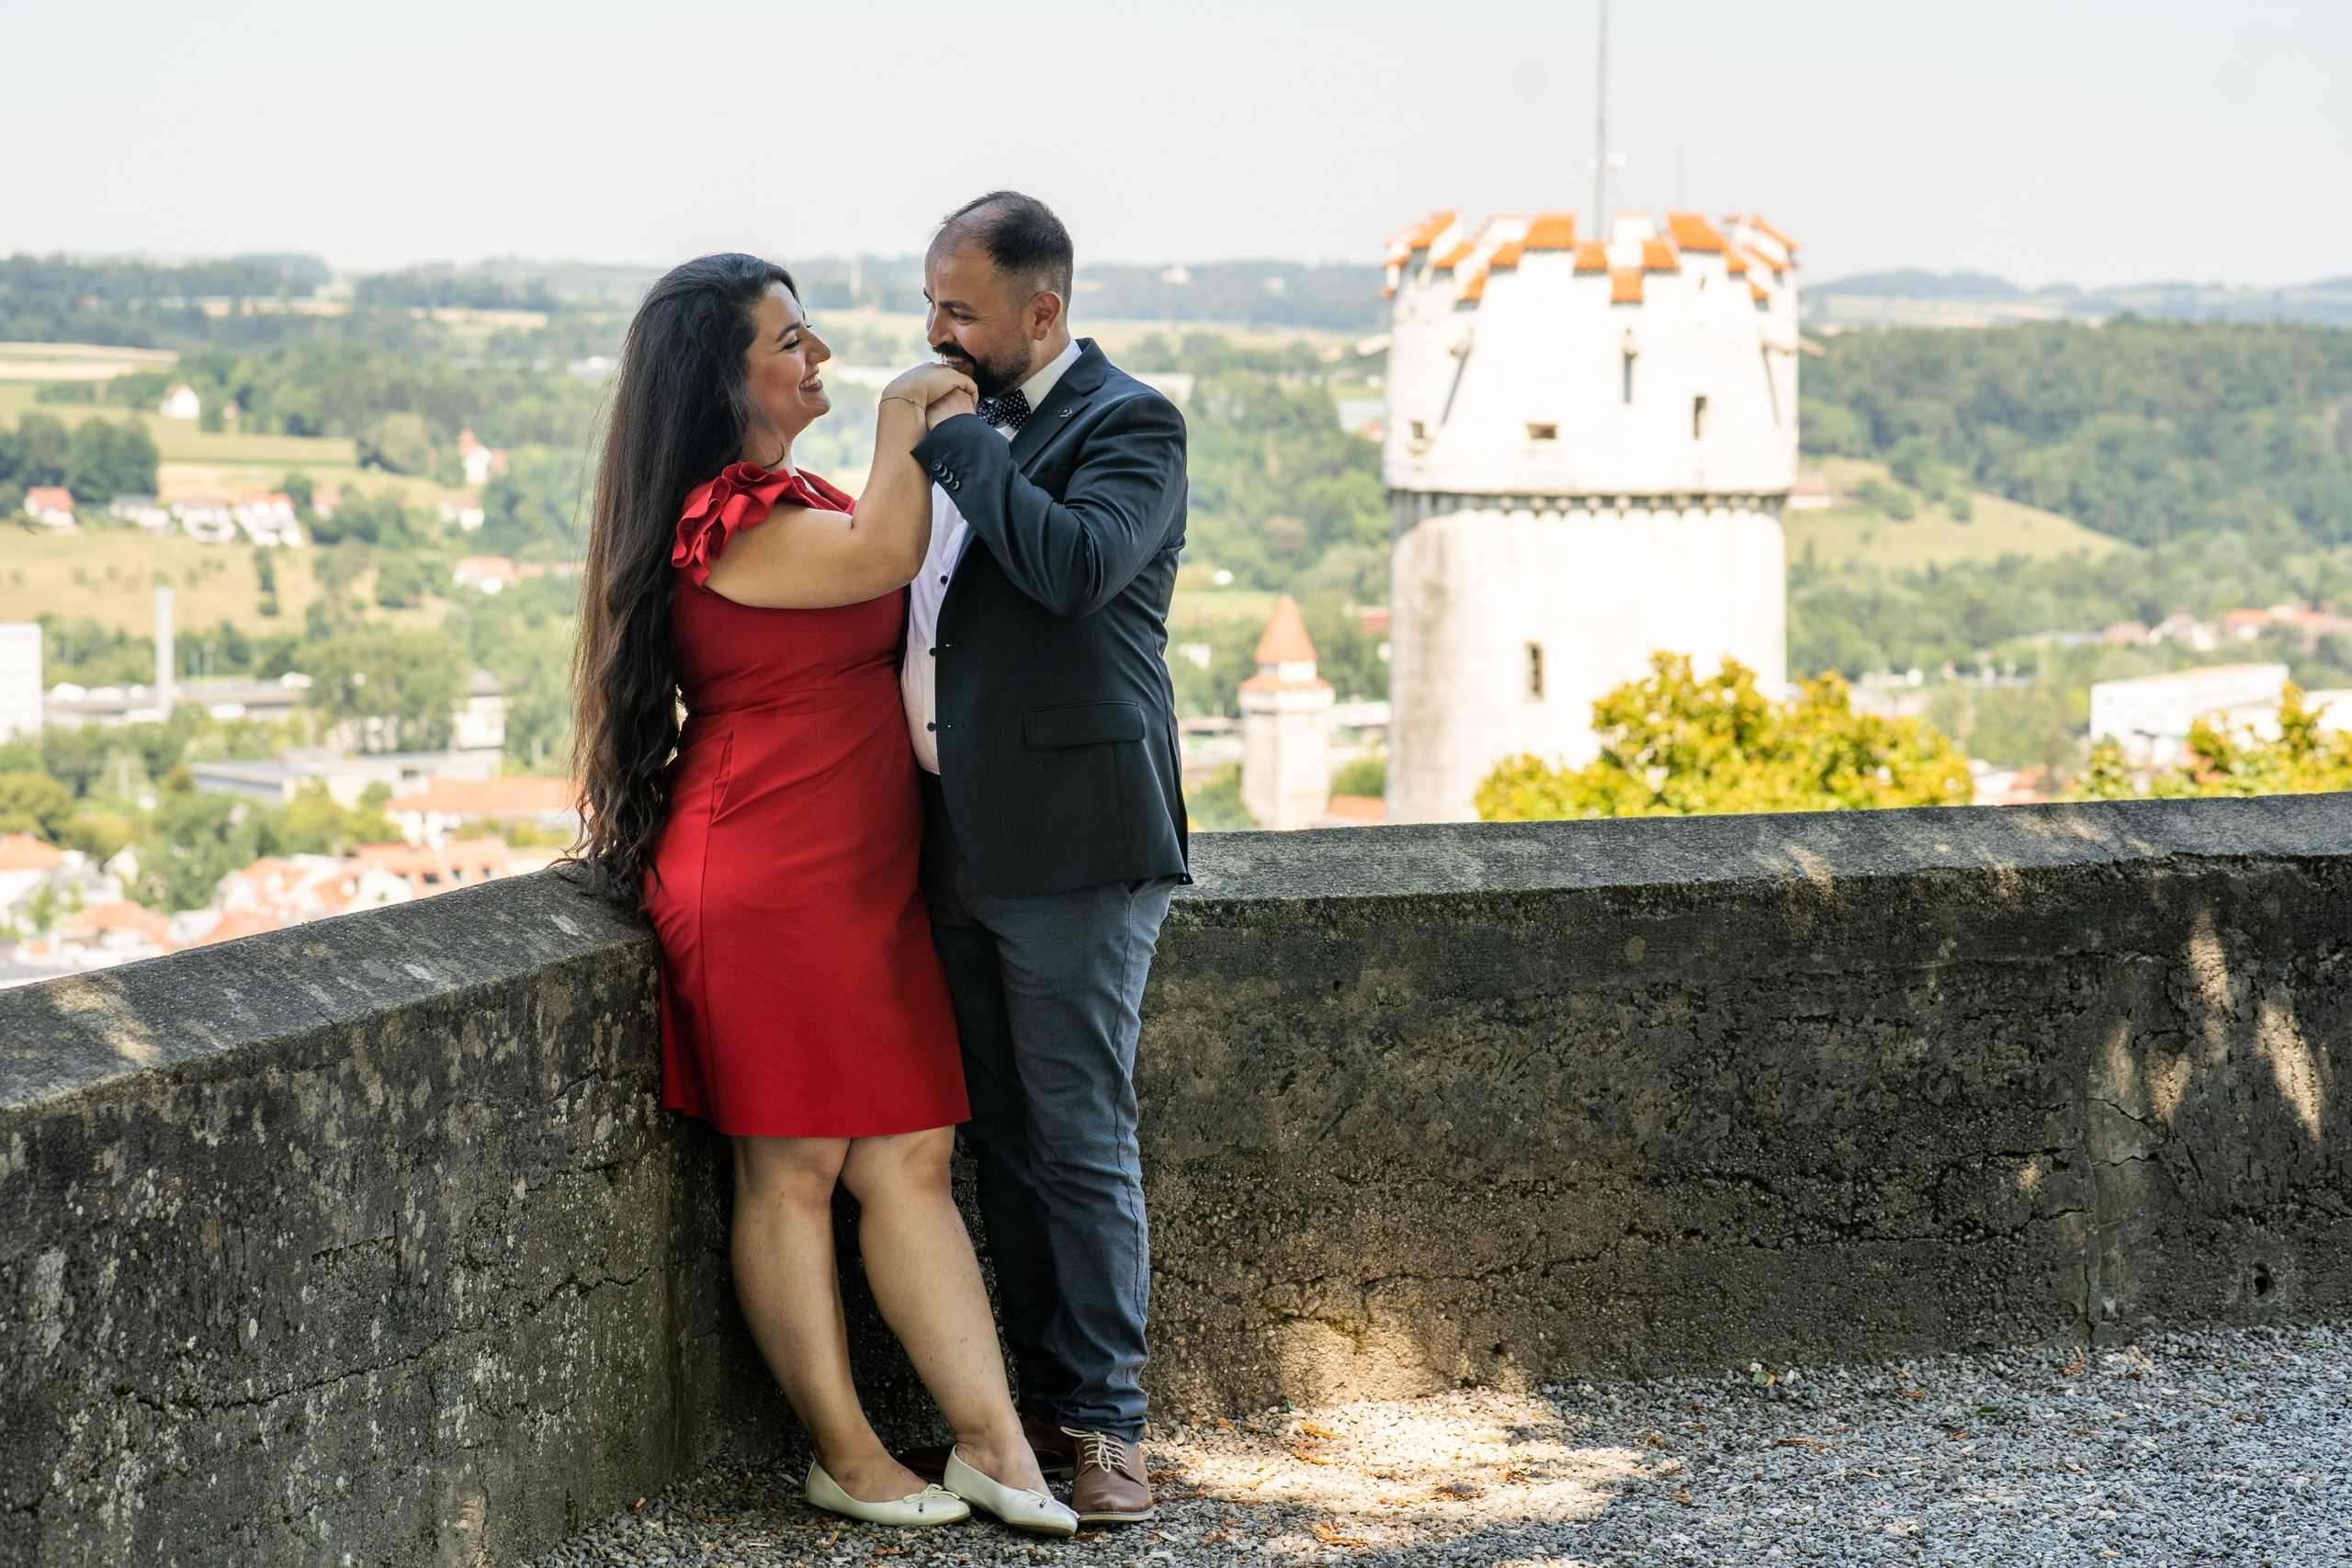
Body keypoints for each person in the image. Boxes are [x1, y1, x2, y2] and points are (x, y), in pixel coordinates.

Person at [570, 253, 1077, 1539]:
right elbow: (886, 551)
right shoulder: (725, 521)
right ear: (721, 377)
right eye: (790, 341)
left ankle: (995, 1441)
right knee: (792, 1168)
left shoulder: (789, 497)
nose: (823, 358)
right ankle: (846, 1455)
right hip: (765, 876)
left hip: (858, 879)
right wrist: (911, 413)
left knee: (911, 1153)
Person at [896, 193, 1191, 1526]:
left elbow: (1072, 569)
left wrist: (957, 441)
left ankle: (1109, 1425)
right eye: (930, 303)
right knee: (999, 1139)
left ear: (1043, 311)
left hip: (1074, 838)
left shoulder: (1134, 424)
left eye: (959, 310)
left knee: (1079, 1135)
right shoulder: (953, 428)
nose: (934, 332)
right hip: (943, 831)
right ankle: (1016, 1413)